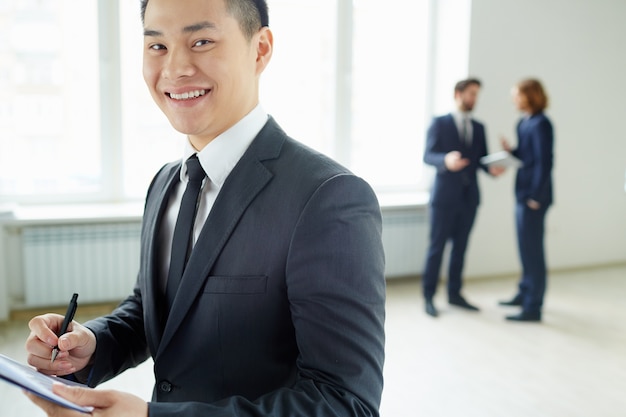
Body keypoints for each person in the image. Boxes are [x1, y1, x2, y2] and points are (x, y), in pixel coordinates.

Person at [24, 0, 386, 416]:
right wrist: (90, 344)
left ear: (261, 48)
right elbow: (154, 309)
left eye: (201, 41)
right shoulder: (165, 182)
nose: (175, 69)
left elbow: (344, 403)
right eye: (157, 47)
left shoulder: (329, 197)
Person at [422, 78, 504, 317]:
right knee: (436, 248)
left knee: (460, 249)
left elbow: (481, 161)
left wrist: (493, 169)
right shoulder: (440, 123)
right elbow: (428, 155)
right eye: (471, 94)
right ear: (458, 94)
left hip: (469, 199)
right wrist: (445, 161)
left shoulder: (479, 127)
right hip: (444, 198)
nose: (474, 99)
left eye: (477, 94)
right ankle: (429, 297)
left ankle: (455, 295)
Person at [499, 78, 554, 322]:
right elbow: (526, 155)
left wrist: (536, 196)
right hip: (523, 194)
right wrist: (510, 152)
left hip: (534, 198)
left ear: (530, 95)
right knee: (524, 247)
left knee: (533, 251)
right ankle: (524, 292)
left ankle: (534, 306)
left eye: (517, 95)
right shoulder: (523, 122)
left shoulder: (542, 123)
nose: (514, 100)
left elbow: (544, 162)